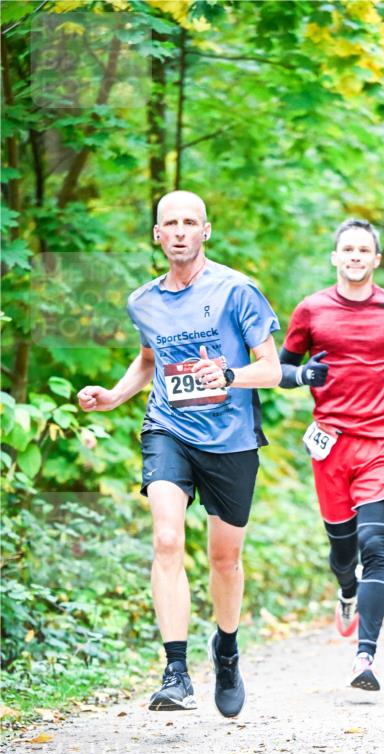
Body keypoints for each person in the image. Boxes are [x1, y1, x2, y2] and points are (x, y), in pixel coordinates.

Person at [78, 190, 281, 716]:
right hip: (168, 427)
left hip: (231, 439)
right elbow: (149, 360)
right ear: (158, 234)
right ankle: (175, 671)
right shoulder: (143, 300)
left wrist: (230, 375)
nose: (181, 231)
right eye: (171, 223)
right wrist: (114, 395)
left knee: (224, 558)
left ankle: (228, 650)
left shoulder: (238, 291)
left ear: (205, 231)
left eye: (191, 222)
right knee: (167, 538)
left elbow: (274, 369)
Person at [279, 219, 384, 692]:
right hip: (331, 445)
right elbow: (281, 368)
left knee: (374, 545)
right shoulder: (311, 310)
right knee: (344, 551)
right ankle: (347, 591)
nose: (354, 256)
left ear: (376, 259)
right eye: (347, 249)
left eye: (363, 250)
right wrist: (304, 377)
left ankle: (364, 657)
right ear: (335, 257)